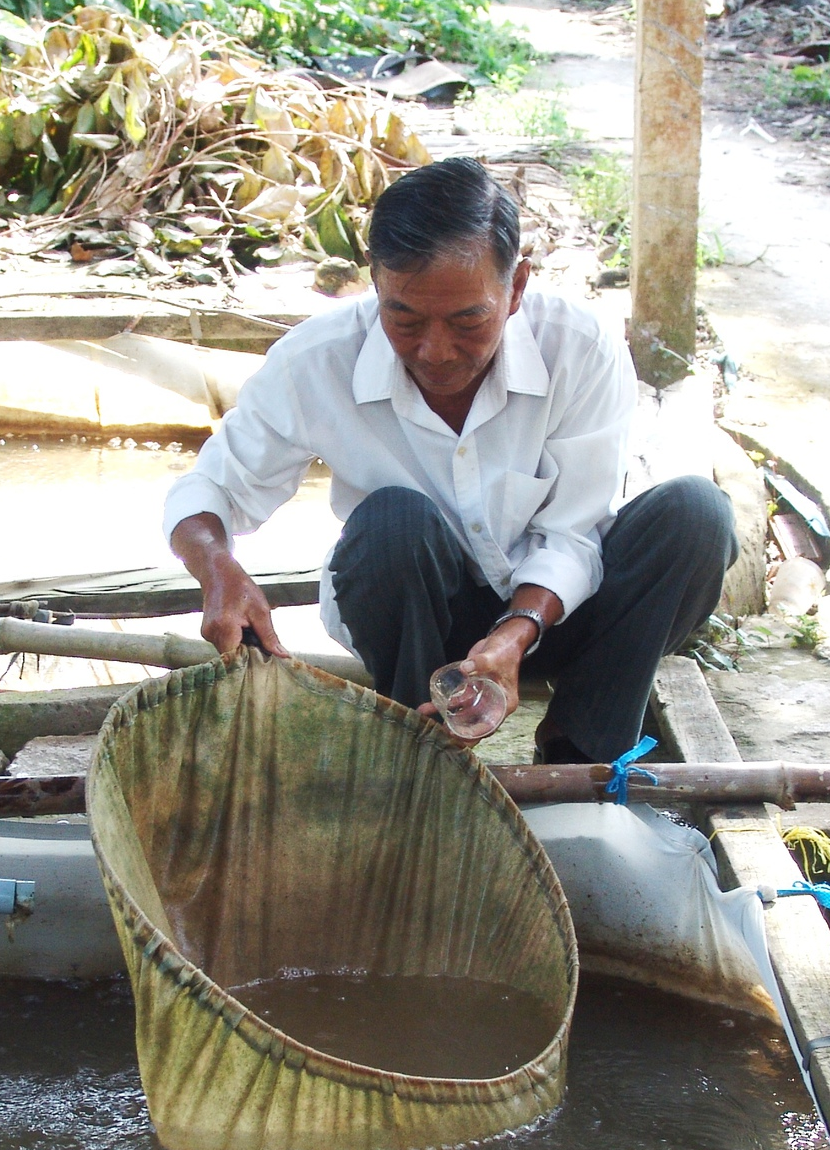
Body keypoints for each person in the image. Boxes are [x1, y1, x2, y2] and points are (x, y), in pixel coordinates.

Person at [163, 156, 738, 764]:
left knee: (696, 514)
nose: (435, 352)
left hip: (563, 615)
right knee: (392, 522)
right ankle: (420, 755)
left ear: (515, 287)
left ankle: (583, 759)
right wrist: (217, 567)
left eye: (469, 320)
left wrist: (514, 635)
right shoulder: (316, 360)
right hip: (419, 628)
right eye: (403, 317)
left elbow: (573, 535)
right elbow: (209, 491)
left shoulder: (579, 346)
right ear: (376, 283)